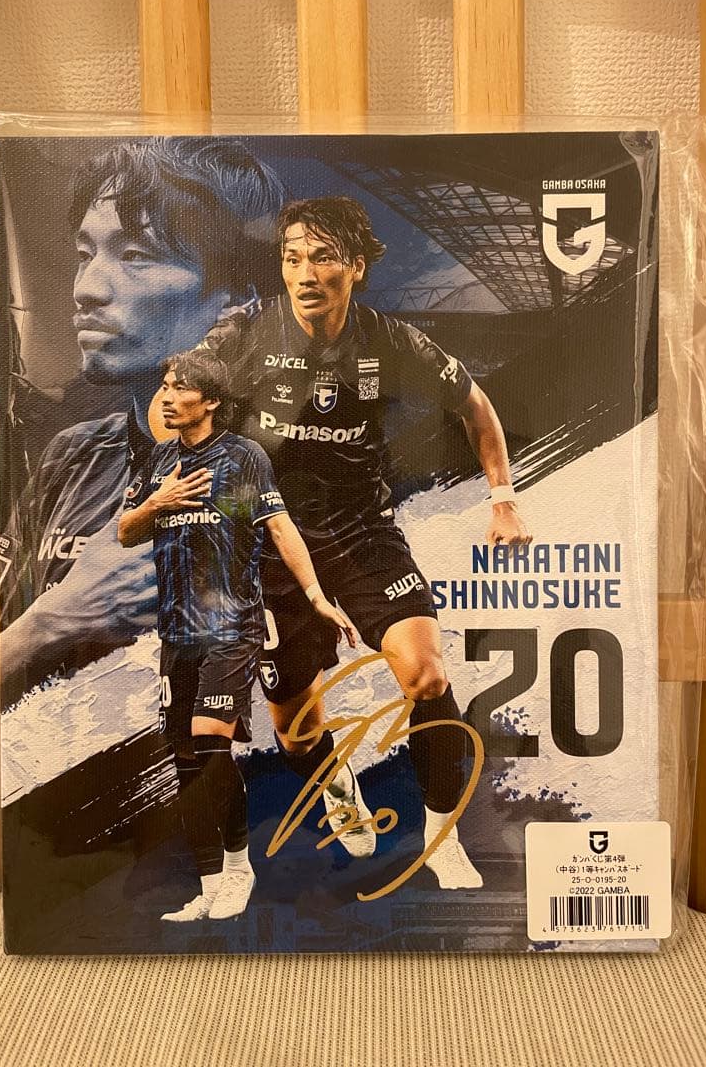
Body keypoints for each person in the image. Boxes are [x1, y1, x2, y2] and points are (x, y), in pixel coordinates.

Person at [201, 196, 532, 890]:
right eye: (292, 257)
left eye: (323, 257)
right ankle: (336, 786)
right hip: (271, 549)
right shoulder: (245, 333)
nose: (305, 273)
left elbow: (474, 406)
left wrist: (503, 499)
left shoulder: (391, 342)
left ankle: (441, 838)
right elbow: (175, 401)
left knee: (427, 674)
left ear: (355, 266)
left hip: (360, 534)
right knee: (296, 731)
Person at [0, 137, 285, 703]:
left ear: (235, 297)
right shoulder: (73, 454)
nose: (87, 289)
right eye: (86, 254)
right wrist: (54, 622)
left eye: (135, 256)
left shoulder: (282, 470)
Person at [118, 350, 354, 921]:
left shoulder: (243, 457)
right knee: (186, 761)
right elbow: (125, 532)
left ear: (211, 402)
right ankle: (211, 884)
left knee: (209, 742)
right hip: (177, 633)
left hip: (232, 626)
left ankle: (237, 869)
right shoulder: (158, 459)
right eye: (164, 386)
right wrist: (159, 501)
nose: (167, 397)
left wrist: (316, 596)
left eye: (180, 388)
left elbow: (280, 527)